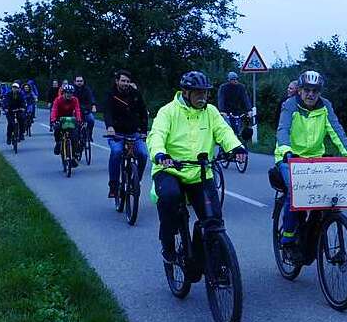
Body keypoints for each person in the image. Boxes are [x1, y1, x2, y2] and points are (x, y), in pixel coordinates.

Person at [148, 71, 248, 262]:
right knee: (169, 198)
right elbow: (157, 135)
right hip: (170, 169)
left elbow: (224, 131)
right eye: (198, 93)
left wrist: (236, 147)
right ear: (185, 92)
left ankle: (215, 263)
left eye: (205, 93)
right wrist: (160, 154)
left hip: (201, 172)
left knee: (214, 220)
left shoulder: (210, 112)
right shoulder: (168, 111)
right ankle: (167, 245)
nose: (203, 97)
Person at [274, 70, 347, 247]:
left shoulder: (325, 105)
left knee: (328, 194)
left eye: (315, 91)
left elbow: (336, 131)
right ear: (300, 90)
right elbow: (283, 129)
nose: (311, 94)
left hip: (315, 159)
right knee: (295, 191)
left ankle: (314, 228)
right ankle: (288, 235)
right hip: (289, 158)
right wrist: (286, 151)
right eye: (307, 90)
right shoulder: (290, 105)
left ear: (320, 92)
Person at [105, 69, 150, 199]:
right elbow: (107, 112)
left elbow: (143, 112)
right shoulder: (111, 94)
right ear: (117, 81)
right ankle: (113, 185)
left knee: (142, 154)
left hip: (134, 132)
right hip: (117, 133)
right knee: (116, 152)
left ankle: (136, 181)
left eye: (128, 81)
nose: (125, 83)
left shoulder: (135, 94)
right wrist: (110, 127)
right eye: (123, 81)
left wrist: (143, 131)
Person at [217, 71, 253, 142]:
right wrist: (222, 111)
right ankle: (223, 147)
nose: (235, 81)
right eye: (233, 79)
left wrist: (249, 110)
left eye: (236, 79)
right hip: (227, 112)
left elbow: (245, 98)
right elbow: (221, 99)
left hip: (237, 111)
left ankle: (239, 143)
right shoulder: (223, 87)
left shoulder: (241, 87)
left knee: (239, 130)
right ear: (229, 80)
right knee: (227, 129)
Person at [50, 82, 83, 156]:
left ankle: (75, 152)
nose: (69, 94)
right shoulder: (58, 100)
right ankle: (58, 143)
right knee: (57, 129)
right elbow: (54, 110)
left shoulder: (75, 100)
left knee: (75, 135)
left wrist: (78, 119)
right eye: (67, 93)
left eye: (71, 93)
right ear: (63, 93)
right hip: (59, 118)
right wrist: (53, 120)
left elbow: (77, 110)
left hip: (70, 118)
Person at [73, 75, 98, 143]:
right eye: (78, 81)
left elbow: (91, 98)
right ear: (75, 82)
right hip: (75, 110)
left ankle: (89, 135)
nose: (79, 83)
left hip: (86, 109)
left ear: (83, 82)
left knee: (91, 120)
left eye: (81, 81)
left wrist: (93, 106)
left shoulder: (87, 89)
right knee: (75, 124)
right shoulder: (72, 90)